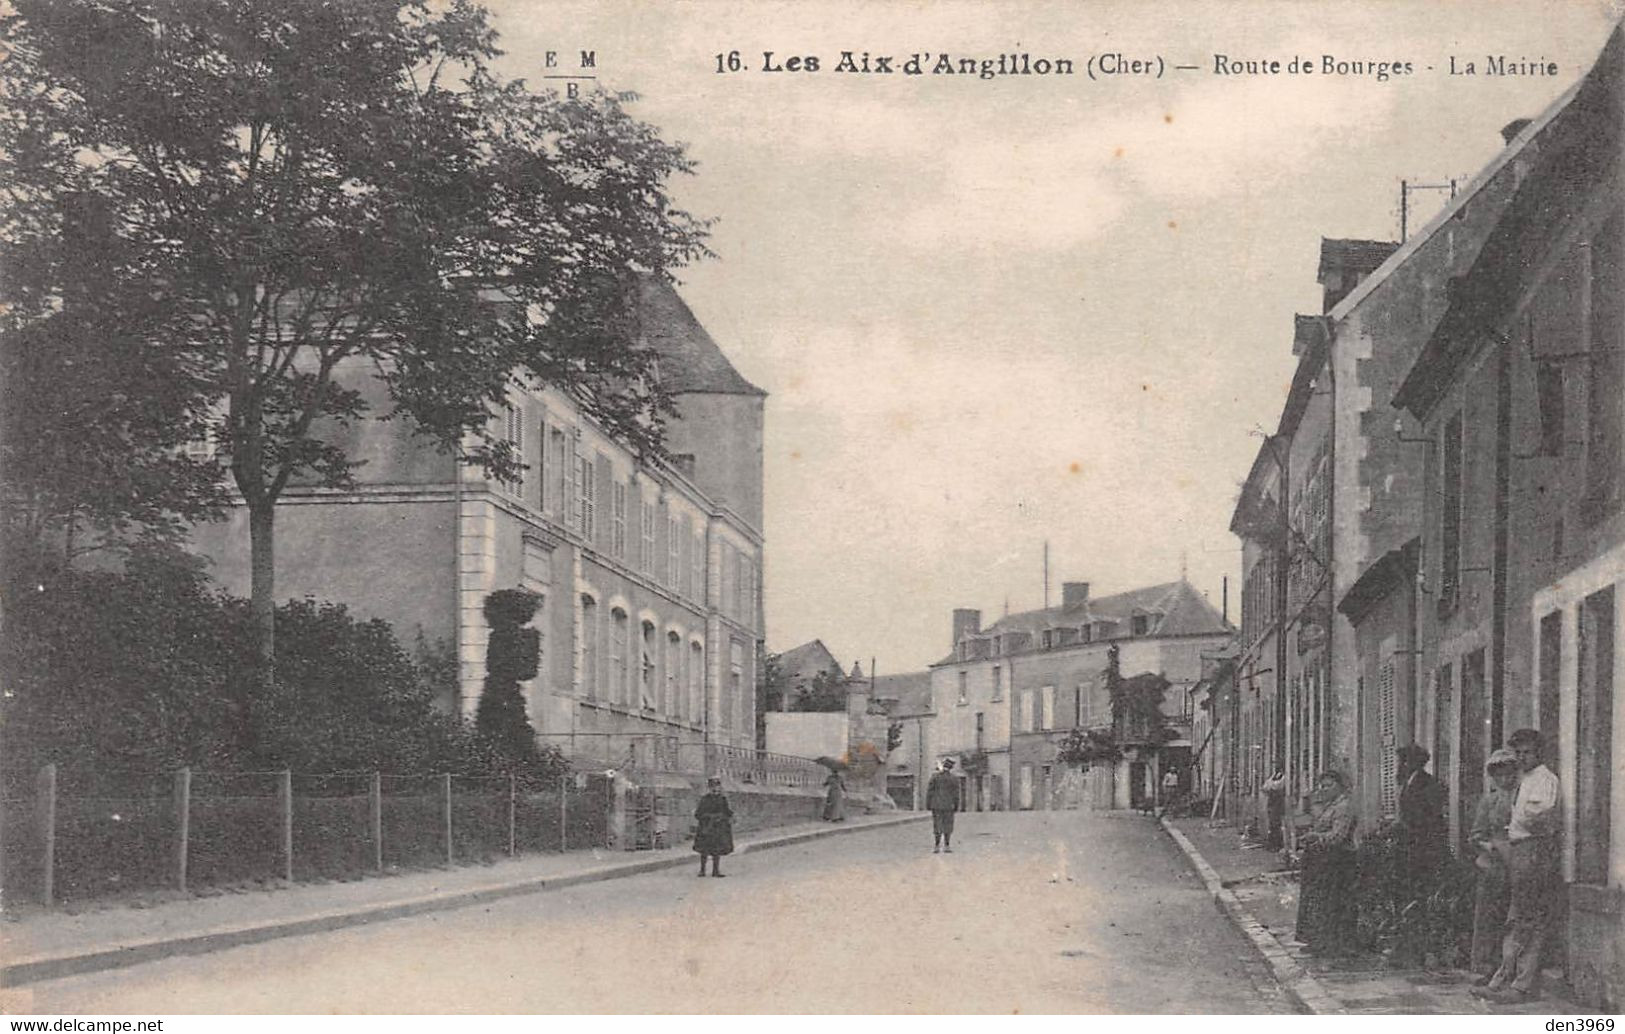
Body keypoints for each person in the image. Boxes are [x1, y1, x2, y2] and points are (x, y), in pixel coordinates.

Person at [1475, 728, 1562, 1003]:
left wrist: (1516, 820)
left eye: (1527, 752)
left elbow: (1540, 814)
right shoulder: (1525, 780)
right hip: (1520, 849)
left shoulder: (1545, 779)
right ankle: (1504, 979)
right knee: (1517, 916)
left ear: (1539, 753)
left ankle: (1522, 985)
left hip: (1533, 849)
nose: (1522, 757)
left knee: (1528, 918)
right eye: (1519, 753)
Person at [1391, 744, 1447, 967]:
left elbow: (1428, 821)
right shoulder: (1410, 782)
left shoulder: (1427, 784)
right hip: (1410, 849)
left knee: (1420, 899)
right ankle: (1409, 948)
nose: (1400, 766)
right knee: (1410, 898)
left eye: (1404, 761)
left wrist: (1403, 829)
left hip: (1424, 852)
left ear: (1414, 762)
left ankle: (1419, 951)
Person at [1469, 749, 1521, 981]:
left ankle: (1510, 968)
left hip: (1518, 865)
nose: (1504, 779)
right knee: (1488, 918)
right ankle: (1484, 967)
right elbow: (1476, 835)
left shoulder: (1523, 796)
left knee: (1514, 918)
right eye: (1499, 775)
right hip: (1492, 867)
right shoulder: (1489, 801)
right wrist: (1491, 846)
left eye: (1509, 774)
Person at [1294, 770, 1359, 957]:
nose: (1324, 789)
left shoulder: (1344, 806)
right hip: (1323, 860)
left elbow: (1338, 836)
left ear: (1340, 785)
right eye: (1322, 786)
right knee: (1319, 902)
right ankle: (1318, 941)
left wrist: (1315, 836)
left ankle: (1333, 945)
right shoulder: (1331, 806)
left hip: (1338, 861)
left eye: (1329, 785)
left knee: (1332, 903)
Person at [693, 776, 734, 877]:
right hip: (706, 828)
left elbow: (727, 812)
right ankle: (702, 870)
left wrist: (725, 817)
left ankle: (715, 871)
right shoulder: (705, 799)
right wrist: (708, 818)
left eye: (717, 786)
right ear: (709, 788)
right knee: (704, 850)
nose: (715, 789)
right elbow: (698, 814)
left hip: (718, 828)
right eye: (713, 787)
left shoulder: (722, 799)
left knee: (717, 850)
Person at [926, 758, 961, 853]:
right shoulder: (954, 778)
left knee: (937, 825)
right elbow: (956, 794)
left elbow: (930, 791)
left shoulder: (935, 777)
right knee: (948, 825)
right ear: (951, 767)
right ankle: (947, 845)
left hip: (936, 805)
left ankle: (936, 846)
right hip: (949, 806)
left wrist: (928, 804)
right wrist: (956, 806)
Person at [1262, 768, 1287, 851]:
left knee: (1277, 823)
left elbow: (1276, 786)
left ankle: (1277, 844)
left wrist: (1271, 785)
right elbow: (1265, 787)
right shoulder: (1275, 776)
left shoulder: (1285, 777)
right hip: (1272, 803)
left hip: (1279, 802)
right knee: (1272, 824)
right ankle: (1272, 844)